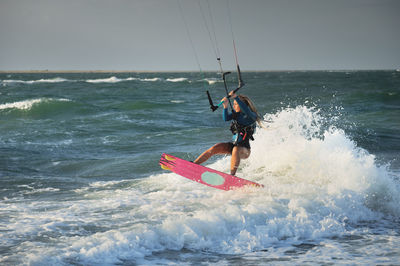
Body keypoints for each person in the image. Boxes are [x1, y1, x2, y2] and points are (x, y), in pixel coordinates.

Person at [193, 90, 261, 175]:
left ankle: (232, 176)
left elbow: (247, 111)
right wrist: (225, 107)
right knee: (216, 147)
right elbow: (226, 118)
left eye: (235, 104)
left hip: (245, 150)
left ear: (242, 105)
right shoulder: (237, 115)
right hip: (233, 146)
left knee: (236, 149)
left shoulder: (251, 116)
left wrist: (236, 97)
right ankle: (194, 164)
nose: (233, 106)